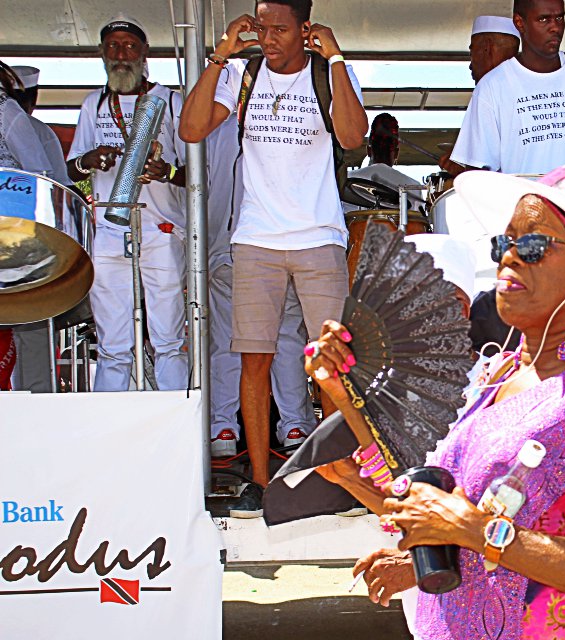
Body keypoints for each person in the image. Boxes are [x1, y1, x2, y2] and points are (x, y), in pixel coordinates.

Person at [306, 163, 565, 638]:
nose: (510, 258)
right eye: (505, 243)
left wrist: (473, 531)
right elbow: (419, 495)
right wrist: (344, 391)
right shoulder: (492, 376)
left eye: (534, 244)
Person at [179, 0, 367, 509]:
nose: (268, 38)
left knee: (334, 366)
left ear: (305, 30)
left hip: (319, 237)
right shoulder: (241, 73)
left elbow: (354, 137)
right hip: (256, 238)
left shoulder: (328, 73)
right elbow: (191, 129)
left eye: (279, 29)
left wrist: (338, 59)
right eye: (261, 27)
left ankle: (340, 481)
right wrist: (220, 53)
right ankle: (261, 483)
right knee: (253, 361)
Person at [66, 16, 189, 393]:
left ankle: (176, 425)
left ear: (145, 53)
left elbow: (197, 175)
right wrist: (89, 161)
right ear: (102, 53)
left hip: (161, 228)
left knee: (168, 338)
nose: (121, 55)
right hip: (109, 228)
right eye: (113, 47)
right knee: (113, 344)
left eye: (130, 46)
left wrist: (165, 171)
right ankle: (111, 428)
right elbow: (71, 169)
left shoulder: (169, 100)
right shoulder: (94, 103)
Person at [204, 118, 330, 459]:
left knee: (232, 340)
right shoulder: (269, 120)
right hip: (263, 241)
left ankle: (223, 427)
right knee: (284, 336)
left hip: (242, 243)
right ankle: (292, 425)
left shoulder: (218, 125)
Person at [448, 0, 565, 176]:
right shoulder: (493, 87)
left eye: (560, 18)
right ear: (520, 23)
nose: (555, 27)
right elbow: (478, 175)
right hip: (523, 203)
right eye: (544, 19)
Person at [5, 64, 70, 394]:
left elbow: (43, 178)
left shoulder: (9, 114)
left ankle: (37, 403)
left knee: (29, 322)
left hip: (19, 240)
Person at [438, 15, 520, 176]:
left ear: (487, 48)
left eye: (472, 52)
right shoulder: (534, 86)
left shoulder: (488, 90)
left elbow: (481, 174)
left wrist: (461, 170)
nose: (470, 65)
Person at [344, 112, 424, 212]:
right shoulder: (413, 187)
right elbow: (419, 224)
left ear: (368, 150)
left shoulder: (346, 180)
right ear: (396, 153)